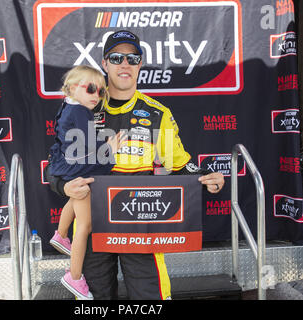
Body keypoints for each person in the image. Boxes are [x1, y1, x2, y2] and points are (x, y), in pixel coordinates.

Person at [45, 30, 225, 300]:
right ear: (105, 63)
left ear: (141, 63)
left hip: (141, 224)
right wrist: (64, 186)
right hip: (93, 223)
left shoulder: (156, 113)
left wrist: (205, 176)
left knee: (150, 300)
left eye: (133, 58)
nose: (124, 64)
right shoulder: (84, 108)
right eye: (116, 57)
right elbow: (55, 164)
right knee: (94, 301)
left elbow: (178, 164)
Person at [47, 65, 125, 300]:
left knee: (78, 193)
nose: (96, 96)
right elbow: (89, 142)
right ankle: (74, 275)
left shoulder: (68, 106)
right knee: (85, 226)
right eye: (91, 89)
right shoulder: (81, 112)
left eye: (101, 92)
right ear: (71, 88)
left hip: (70, 166)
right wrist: (109, 148)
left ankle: (61, 235)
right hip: (77, 166)